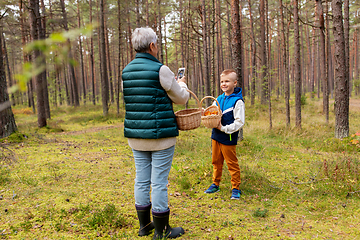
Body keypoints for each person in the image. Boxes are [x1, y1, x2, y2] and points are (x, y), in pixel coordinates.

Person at [122, 27, 188, 239]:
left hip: (136, 136)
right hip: (161, 138)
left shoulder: (126, 71)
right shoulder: (161, 70)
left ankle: (144, 226)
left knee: (141, 180)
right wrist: (182, 85)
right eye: (156, 44)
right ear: (152, 46)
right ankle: (161, 231)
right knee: (159, 181)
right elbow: (181, 99)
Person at [204, 69, 245, 200]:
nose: (224, 84)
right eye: (222, 81)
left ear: (234, 83)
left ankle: (236, 188)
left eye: (227, 81)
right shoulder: (218, 99)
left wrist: (224, 128)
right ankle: (215, 183)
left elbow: (239, 122)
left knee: (231, 163)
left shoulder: (237, 101)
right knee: (216, 161)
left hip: (228, 137)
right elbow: (211, 113)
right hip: (216, 136)